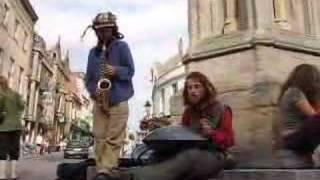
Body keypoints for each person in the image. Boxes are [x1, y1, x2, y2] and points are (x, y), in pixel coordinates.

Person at [109, 72, 234, 180]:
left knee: (189, 157)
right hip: (190, 151)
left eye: (197, 87)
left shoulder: (222, 109)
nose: (193, 91)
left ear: (206, 89)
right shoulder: (189, 112)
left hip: (215, 155)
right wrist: (158, 127)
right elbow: (182, 133)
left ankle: (130, 177)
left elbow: (229, 140)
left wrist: (212, 133)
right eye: (189, 88)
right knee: (155, 156)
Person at [84, 12, 135, 180]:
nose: (103, 34)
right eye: (99, 31)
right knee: (99, 136)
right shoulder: (93, 53)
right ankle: (102, 170)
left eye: (106, 30)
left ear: (113, 29)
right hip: (100, 100)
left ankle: (105, 170)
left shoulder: (122, 47)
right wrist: (94, 91)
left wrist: (116, 71)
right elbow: (89, 78)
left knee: (114, 138)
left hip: (119, 98)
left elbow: (130, 70)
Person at [278, 64, 320, 166]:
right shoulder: (294, 92)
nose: (317, 84)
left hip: (297, 137)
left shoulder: (294, 92)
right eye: (316, 80)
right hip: (292, 137)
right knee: (316, 120)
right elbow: (313, 115)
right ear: (307, 79)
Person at [0, 76, 25, 180]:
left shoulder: (1, 95)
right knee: (14, 151)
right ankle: (14, 174)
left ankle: (2, 175)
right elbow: (22, 106)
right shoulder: (15, 94)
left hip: (3, 126)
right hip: (16, 126)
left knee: (2, 151)